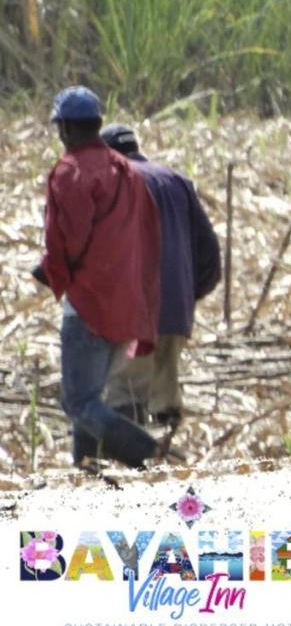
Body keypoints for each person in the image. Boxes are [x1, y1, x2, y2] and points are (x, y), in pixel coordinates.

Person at [33, 86, 170, 468]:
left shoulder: (69, 172)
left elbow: (68, 240)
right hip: (126, 304)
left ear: (66, 130)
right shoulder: (126, 170)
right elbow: (146, 235)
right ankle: (85, 472)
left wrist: (51, 271)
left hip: (89, 305)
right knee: (91, 398)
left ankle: (149, 454)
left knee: (78, 401)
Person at [99, 123, 222, 428]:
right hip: (175, 308)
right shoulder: (177, 181)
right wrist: (187, 295)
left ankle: (133, 467)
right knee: (165, 402)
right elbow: (209, 253)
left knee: (126, 397)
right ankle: (168, 464)